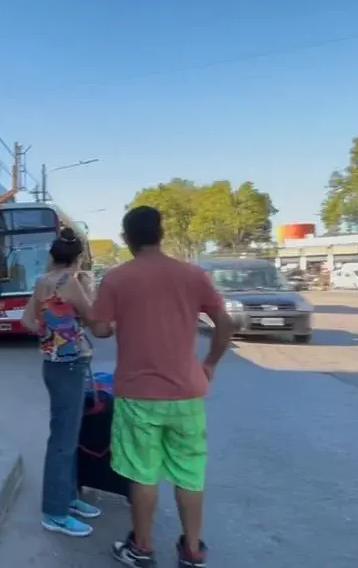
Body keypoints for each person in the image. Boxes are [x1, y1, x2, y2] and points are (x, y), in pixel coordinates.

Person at [87, 206, 231, 568]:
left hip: (138, 395)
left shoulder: (117, 279)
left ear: (127, 238)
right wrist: (210, 362)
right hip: (187, 394)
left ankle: (143, 547)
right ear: (161, 233)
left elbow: (101, 330)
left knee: (142, 472)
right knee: (189, 473)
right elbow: (224, 323)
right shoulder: (192, 275)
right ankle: (192, 551)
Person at [21, 227, 103, 538]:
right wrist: (71, 326)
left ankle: (67, 498)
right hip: (69, 365)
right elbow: (96, 319)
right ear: (78, 258)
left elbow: (28, 321)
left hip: (54, 364)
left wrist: (52, 330)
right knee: (64, 441)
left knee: (65, 435)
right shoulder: (71, 284)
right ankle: (55, 512)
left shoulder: (42, 282)